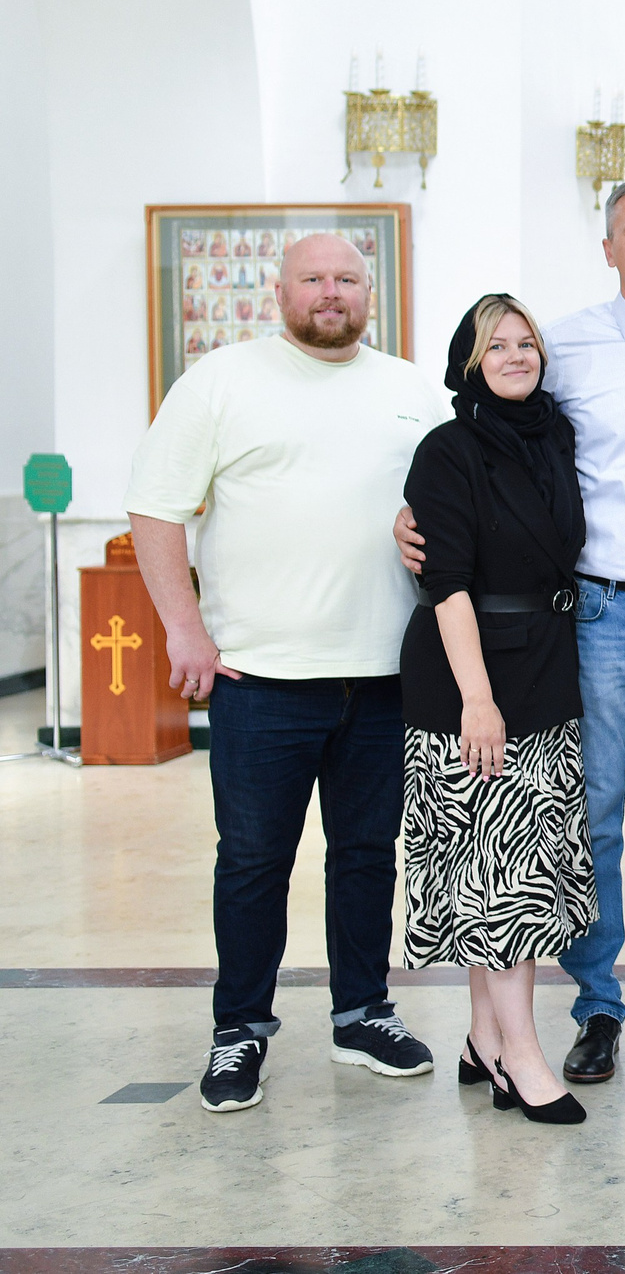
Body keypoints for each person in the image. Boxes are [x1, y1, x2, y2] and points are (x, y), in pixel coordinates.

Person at [396, 179, 625, 1083]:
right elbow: (497, 435)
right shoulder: (566, 346)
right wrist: (419, 523)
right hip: (596, 612)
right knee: (587, 817)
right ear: (608, 248)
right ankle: (595, 1004)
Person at [128, 232, 444, 1113]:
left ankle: (362, 1013)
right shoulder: (222, 381)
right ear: (280, 291)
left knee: (366, 856)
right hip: (259, 679)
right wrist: (182, 627)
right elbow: (155, 505)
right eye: (313, 278)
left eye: (346, 278)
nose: (330, 292)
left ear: (368, 290)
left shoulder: (409, 389)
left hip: (383, 674)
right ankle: (239, 1030)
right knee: (256, 861)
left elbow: (448, 505)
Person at [399, 295, 595, 1124]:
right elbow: (444, 583)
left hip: (546, 668)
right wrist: (477, 700)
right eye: (497, 345)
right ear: (469, 360)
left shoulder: (553, 434)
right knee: (505, 884)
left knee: (503, 872)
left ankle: (484, 1036)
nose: (517, 355)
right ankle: (523, 1055)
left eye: (528, 342)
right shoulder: (446, 451)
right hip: (469, 681)